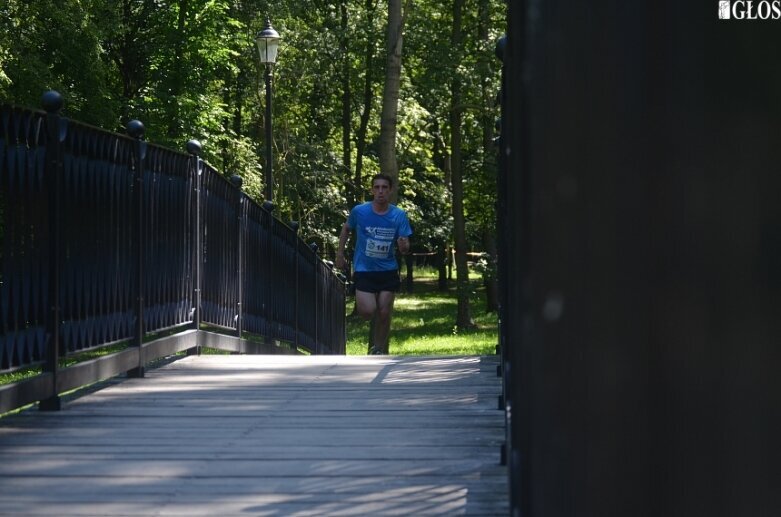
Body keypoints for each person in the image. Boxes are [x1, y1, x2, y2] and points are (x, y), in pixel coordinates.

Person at [336, 173, 412, 354]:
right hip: (364, 269)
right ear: (371, 190)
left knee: (385, 314)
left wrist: (404, 245)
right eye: (376, 187)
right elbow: (346, 229)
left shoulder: (398, 215)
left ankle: (377, 349)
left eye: (384, 187)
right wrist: (340, 254)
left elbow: (405, 247)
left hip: (388, 270)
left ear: (390, 190)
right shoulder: (359, 211)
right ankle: (375, 338)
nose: (380, 191)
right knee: (368, 312)